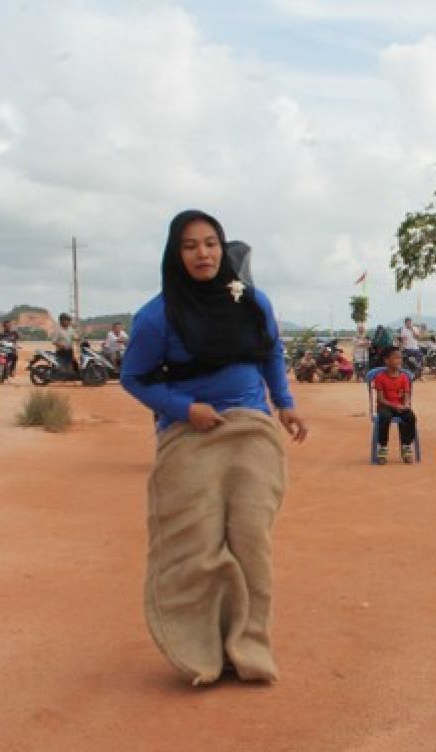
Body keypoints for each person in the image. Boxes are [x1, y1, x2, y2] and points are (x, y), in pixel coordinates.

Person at [120, 209, 308, 686]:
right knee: (197, 548)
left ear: (222, 248)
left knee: (251, 542)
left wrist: (284, 404)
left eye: (210, 243)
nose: (203, 253)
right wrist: (185, 409)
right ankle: (201, 652)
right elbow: (134, 378)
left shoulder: (252, 302)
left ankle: (248, 649)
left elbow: (269, 352)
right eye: (190, 246)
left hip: (250, 429)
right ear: (175, 254)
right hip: (190, 436)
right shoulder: (156, 316)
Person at [372, 346, 419, 463]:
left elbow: (407, 395)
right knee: (385, 417)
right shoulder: (380, 377)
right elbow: (381, 399)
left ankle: (406, 446)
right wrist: (394, 406)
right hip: (385, 406)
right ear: (386, 360)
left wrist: (406, 405)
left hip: (400, 406)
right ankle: (383, 447)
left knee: (410, 416)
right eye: (396, 358)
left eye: (400, 358)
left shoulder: (404, 377)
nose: (399, 361)